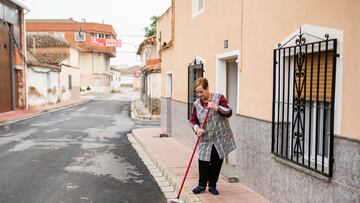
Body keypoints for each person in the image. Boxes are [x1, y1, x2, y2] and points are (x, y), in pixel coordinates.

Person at [189, 77, 236, 195]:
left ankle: (212, 186)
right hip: (206, 138)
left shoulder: (219, 98)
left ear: (207, 88)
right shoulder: (196, 104)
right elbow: (193, 120)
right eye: (197, 92)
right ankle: (201, 185)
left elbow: (229, 112)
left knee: (216, 162)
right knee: (203, 161)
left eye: (201, 91)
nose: (199, 94)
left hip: (220, 137)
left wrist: (216, 107)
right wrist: (197, 129)